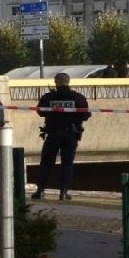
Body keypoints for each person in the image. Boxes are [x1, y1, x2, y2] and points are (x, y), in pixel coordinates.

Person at [33, 72, 91, 201]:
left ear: (56, 82)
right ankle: (63, 193)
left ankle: (40, 191)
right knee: (67, 164)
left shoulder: (48, 97)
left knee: (46, 163)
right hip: (70, 134)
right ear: (68, 82)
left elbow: (40, 112)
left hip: (53, 134)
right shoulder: (78, 97)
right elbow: (86, 115)